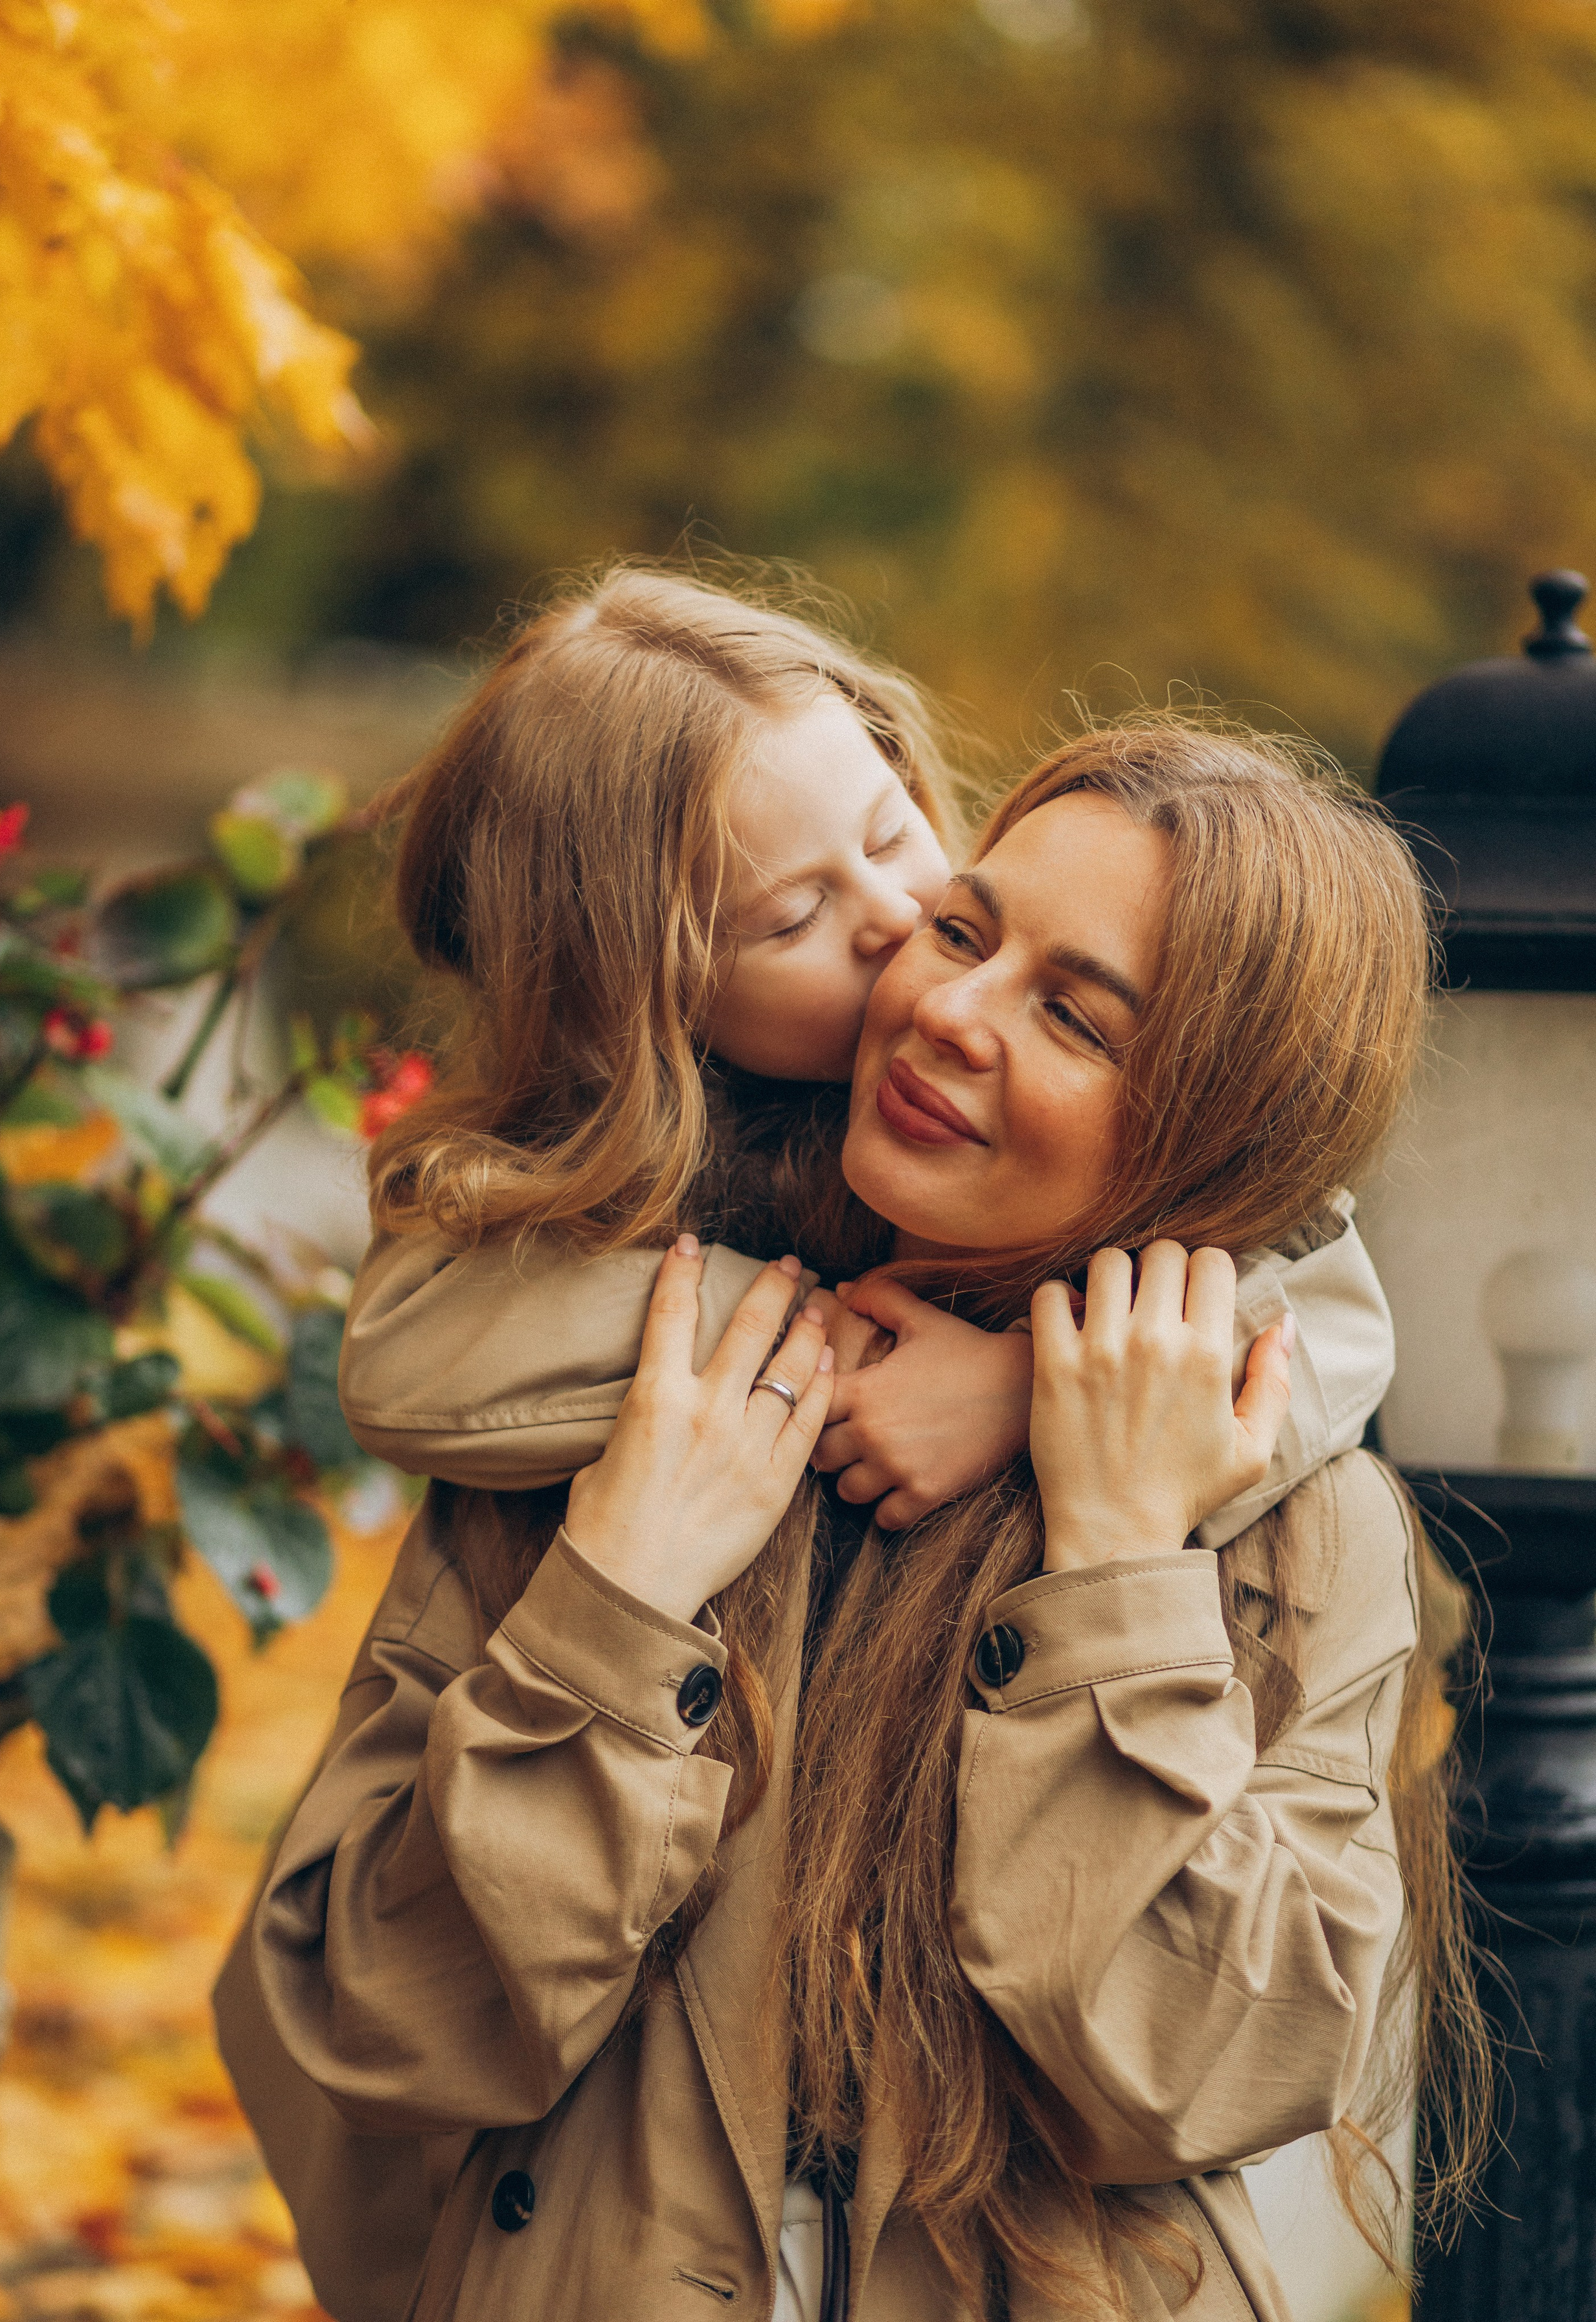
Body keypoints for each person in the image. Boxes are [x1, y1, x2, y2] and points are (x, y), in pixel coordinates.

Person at [240, 717, 1485, 2321]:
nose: (946, 1009)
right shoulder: (637, 1409)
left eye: (1073, 1018)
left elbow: (1202, 2077)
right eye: (960, 931)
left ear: (1216, 1135)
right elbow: (380, 2022)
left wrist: (1113, 1566)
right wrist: (617, 1597)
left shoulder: (1292, 1538)